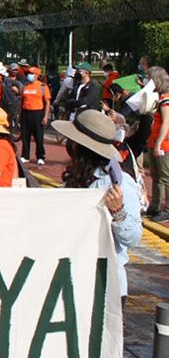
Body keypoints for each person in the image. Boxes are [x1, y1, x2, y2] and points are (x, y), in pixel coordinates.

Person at [54, 108, 141, 301]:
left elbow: (133, 238)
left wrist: (118, 211)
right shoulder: (74, 178)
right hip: (71, 277)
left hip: (104, 284)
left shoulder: (119, 182)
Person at [145, 66, 169, 221]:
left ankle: (166, 208)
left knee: (165, 176)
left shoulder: (165, 98)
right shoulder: (157, 97)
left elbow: (166, 122)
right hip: (154, 141)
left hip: (163, 144)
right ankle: (155, 205)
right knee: (156, 176)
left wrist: (159, 143)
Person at [19, 66, 51, 165]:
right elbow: (22, 100)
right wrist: (19, 115)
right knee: (25, 136)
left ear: (37, 75)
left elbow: (47, 102)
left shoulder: (42, 86)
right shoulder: (25, 86)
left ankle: (40, 156)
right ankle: (25, 155)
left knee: (38, 136)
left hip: (37, 113)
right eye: (29, 73)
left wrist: (46, 116)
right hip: (26, 113)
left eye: (32, 73)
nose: (30, 75)